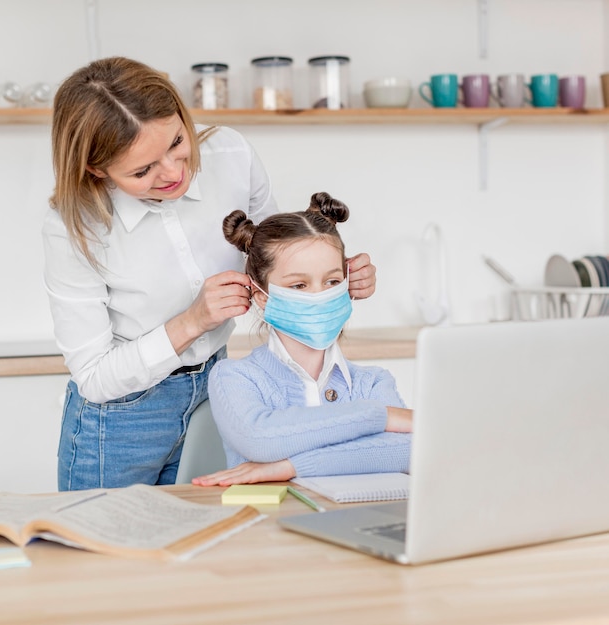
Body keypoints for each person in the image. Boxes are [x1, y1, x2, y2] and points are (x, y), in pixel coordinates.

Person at [42, 57, 376, 491]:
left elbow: (278, 259)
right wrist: (191, 322)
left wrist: (337, 282)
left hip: (218, 387)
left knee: (206, 541)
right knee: (107, 552)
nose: (174, 172)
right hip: (121, 419)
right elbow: (94, 377)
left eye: (177, 142)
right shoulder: (73, 225)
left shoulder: (231, 154)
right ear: (96, 169)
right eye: (143, 170)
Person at [192, 192, 412, 487]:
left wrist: (290, 467)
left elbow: (408, 452)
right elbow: (260, 439)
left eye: (332, 281)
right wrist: (378, 417)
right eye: (299, 284)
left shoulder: (373, 382)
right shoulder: (235, 377)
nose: (319, 295)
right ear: (262, 296)